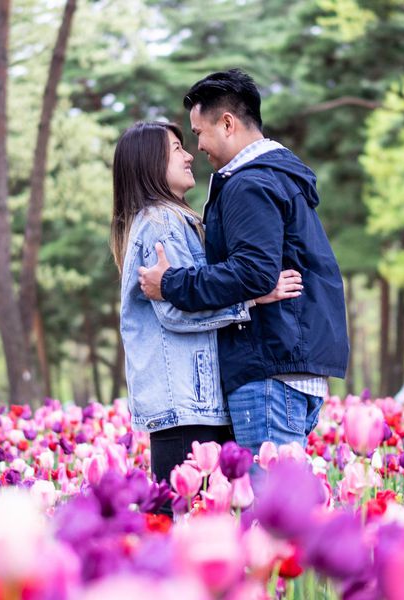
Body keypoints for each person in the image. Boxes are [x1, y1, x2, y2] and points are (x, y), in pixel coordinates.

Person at [139, 69, 349, 457]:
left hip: (268, 366)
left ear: (228, 123)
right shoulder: (279, 176)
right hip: (289, 361)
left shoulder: (249, 183)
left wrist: (170, 284)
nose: (197, 147)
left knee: (269, 510)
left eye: (199, 132)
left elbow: (253, 272)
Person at [111, 121, 302, 492]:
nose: (189, 155)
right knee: (188, 523)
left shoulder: (174, 219)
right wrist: (252, 297)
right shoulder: (160, 222)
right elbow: (176, 309)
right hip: (185, 406)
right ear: (149, 163)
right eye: (175, 148)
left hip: (190, 403)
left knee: (194, 522)